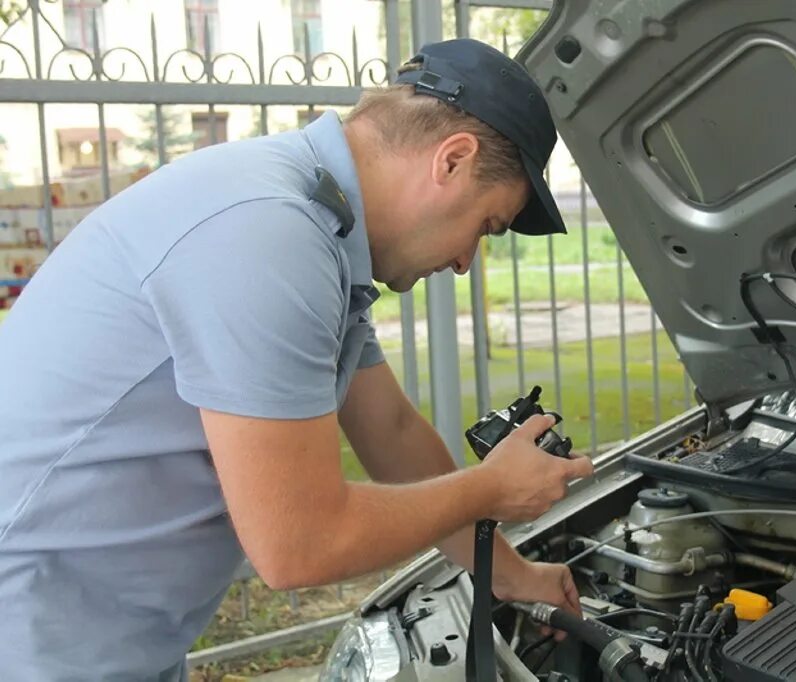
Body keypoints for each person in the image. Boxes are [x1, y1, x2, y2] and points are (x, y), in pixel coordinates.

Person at [0, 38, 595, 680]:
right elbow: (300, 542)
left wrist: (511, 575)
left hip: (101, 634)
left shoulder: (320, 226)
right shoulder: (270, 233)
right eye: (486, 226)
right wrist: (491, 487)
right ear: (452, 160)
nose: (464, 262)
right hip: (34, 634)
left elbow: (391, 434)